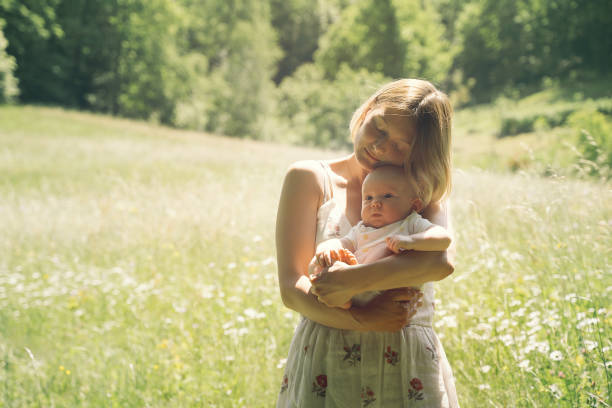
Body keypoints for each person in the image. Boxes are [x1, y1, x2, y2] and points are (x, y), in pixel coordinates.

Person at [276, 79, 459, 407]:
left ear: (420, 153)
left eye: (402, 146)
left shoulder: (422, 191)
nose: (382, 147)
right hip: (327, 354)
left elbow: (440, 261)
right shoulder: (310, 179)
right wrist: (364, 318)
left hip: (405, 357)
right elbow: (292, 288)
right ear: (366, 112)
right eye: (379, 128)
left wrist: (350, 282)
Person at [309, 163, 452, 311]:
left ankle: (346, 298)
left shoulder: (411, 223)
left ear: (414, 205)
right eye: (368, 198)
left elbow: (443, 238)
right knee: (320, 264)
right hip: (353, 283)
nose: (375, 203)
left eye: (387, 196)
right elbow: (345, 242)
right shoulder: (361, 229)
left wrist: (412, 241)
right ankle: (343, 300)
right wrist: (330, 247)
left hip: (388, 290)